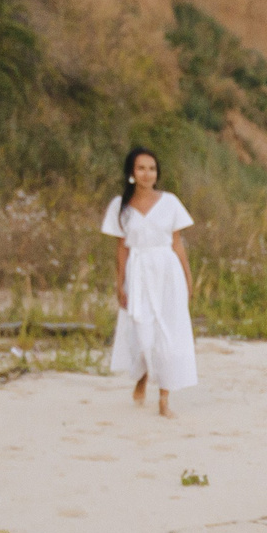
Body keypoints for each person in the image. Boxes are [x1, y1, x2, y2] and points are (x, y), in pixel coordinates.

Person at [102, 147, 196, 416]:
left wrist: (188, 278)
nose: (147, 174)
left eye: (152, 168)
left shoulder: (170, 202)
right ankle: (142, 375)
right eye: (141, 168)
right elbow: (121, 248)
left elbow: (177, 244)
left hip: (167, 272)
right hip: (138, 272)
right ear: (132, 172)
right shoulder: (121, 206)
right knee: (142, 331)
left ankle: (164, 400)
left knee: (169, 333)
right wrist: (119, 283)